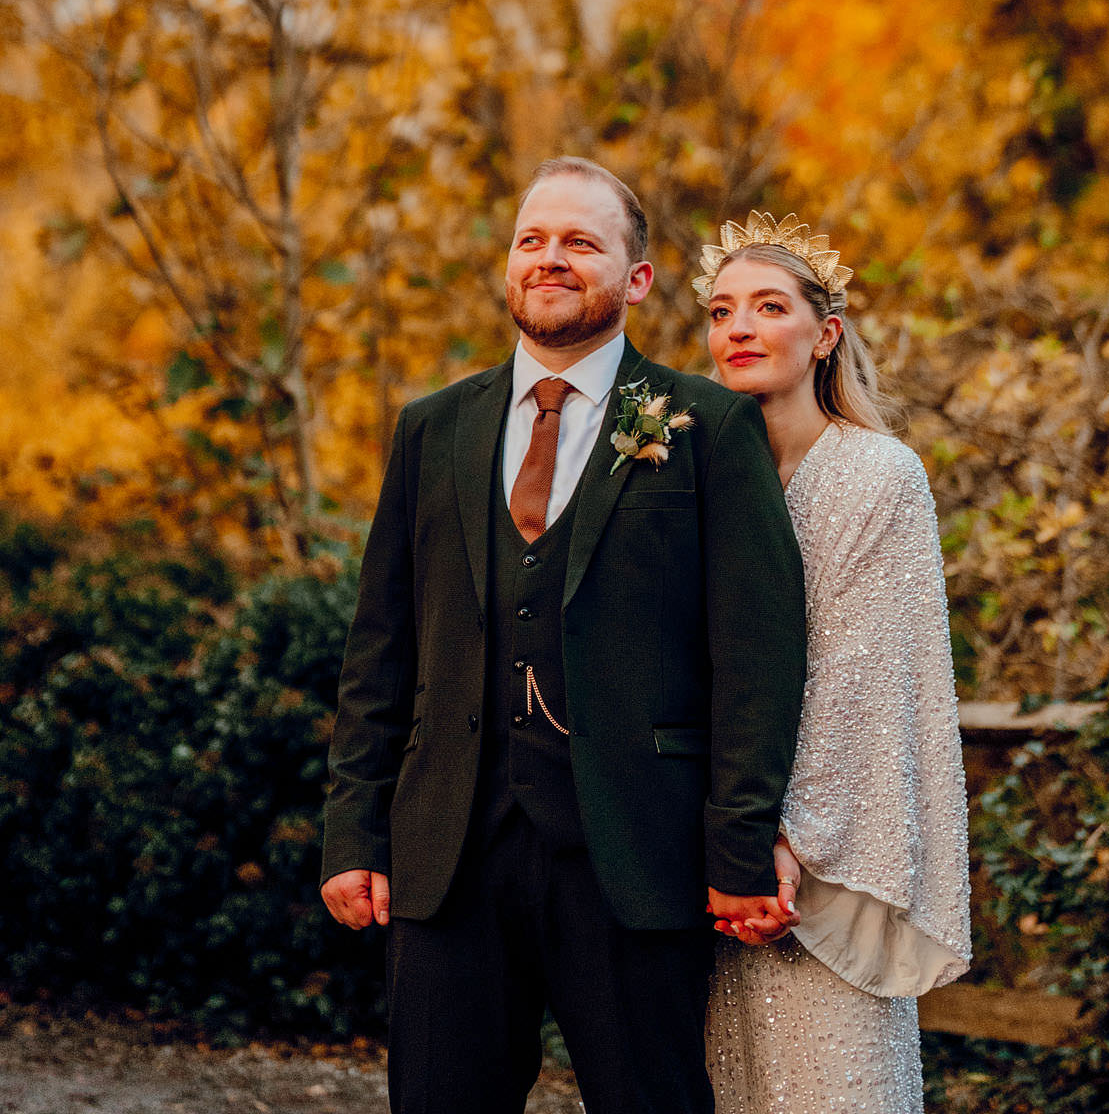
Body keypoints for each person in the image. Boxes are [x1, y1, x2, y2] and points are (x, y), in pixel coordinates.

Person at [320, 159, 807, 1114]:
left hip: (635, 850)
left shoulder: (706, 426)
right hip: (448, 852)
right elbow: (381, 647)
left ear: (636, 279)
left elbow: (757, 653)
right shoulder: (431, 429)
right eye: (532, 239)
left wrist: (737, 844)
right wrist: (353, 829)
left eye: (581, 242)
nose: (550, 258)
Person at [697, 212, 971, 1114]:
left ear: (826, 334)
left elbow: (863, 686)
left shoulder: (878, 476)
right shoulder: (679, 471)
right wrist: (718, 841)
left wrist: (778, 846)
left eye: (768, 306)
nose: (739, 327)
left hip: (816, 873)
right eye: (721, 310)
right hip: (699, 868)